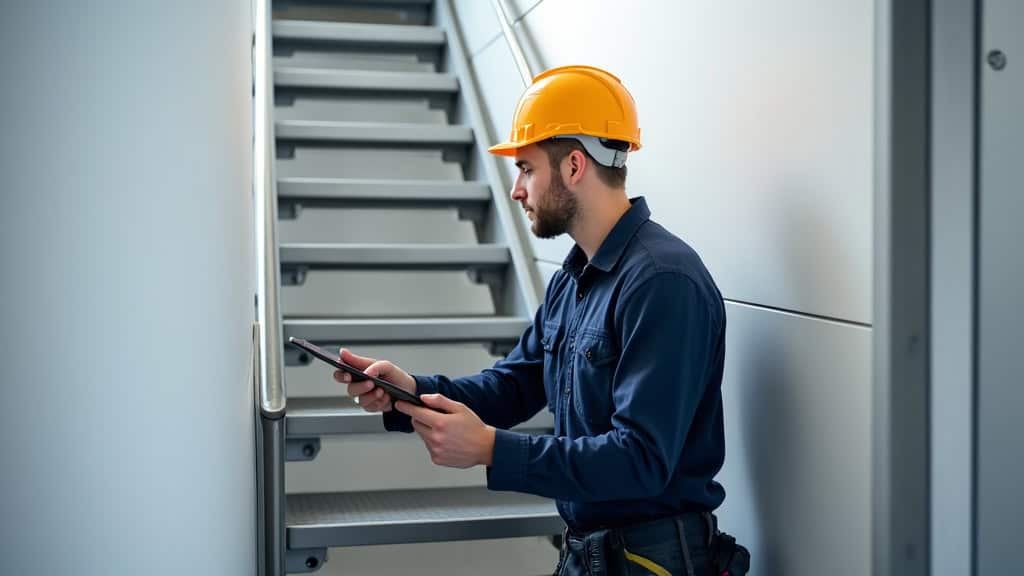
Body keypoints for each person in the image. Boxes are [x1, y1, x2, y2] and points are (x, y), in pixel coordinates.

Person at [335, 65, 729, 576]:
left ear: (573, 166)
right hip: (593, 555)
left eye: (525, 169)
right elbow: (516, 383)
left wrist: (493, 449)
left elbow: (641, 458)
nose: (517, 190)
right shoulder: (574, 278)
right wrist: (411, 391)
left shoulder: (662, 281)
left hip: (655, 560)